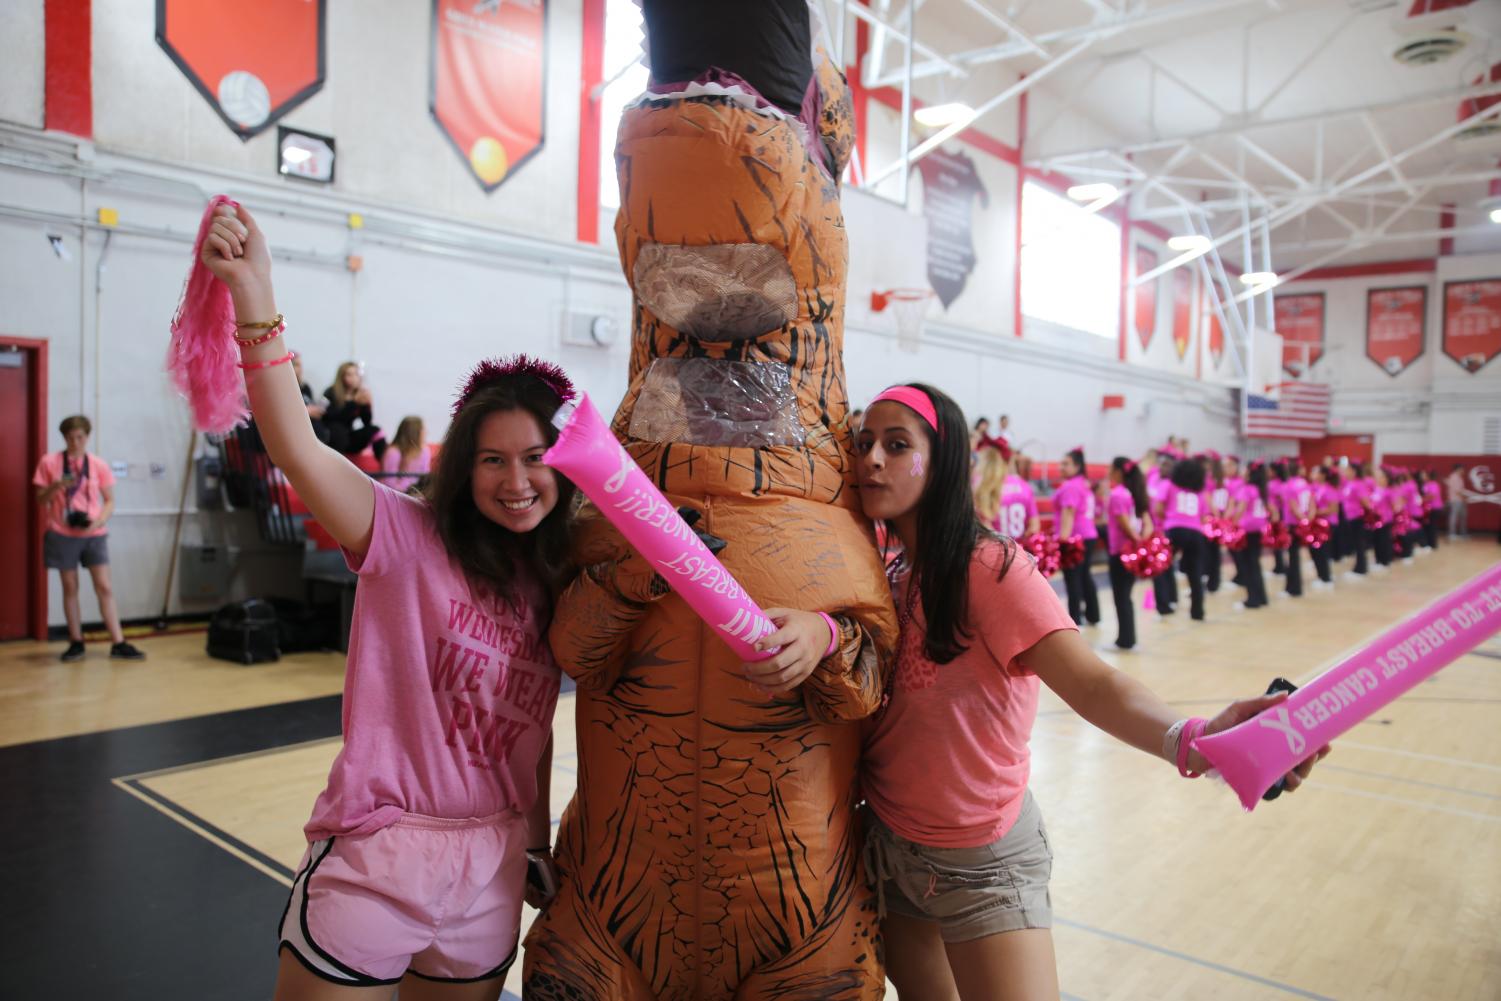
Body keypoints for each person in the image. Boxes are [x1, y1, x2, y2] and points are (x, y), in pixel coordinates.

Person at [200, 202, 568, 998]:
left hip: (493, 870)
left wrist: (534, 843)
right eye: (493, 459)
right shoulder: (402, 535)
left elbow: (528, 737)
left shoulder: (554, 582)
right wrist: (255, 295)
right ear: (463, 464)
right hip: (378, 855)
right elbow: (295, 444)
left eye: (535, 458)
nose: (515, 481)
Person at [852, 384, 1328, 1001]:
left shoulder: (993, 569)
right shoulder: (884, 570)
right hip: (889, 847)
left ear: (942, 463)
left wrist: (1199, 742)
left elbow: (1094, 684)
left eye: (896, 445)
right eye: (864, 443)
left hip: (982, 863)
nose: (871, 460)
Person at [31, 415, 146, 662]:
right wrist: (56, 486)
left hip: (93, 532)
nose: (75, 442)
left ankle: (118, 642)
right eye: (70, 437)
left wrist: (99, 521)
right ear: (64, 438)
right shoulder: (49, 462)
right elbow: (40, 500)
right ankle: (76, 641)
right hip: (61, 532)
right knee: (70, 586)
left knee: (104, 586)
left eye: (80, 437)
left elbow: (110, 500)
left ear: (87, 436)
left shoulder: (97, 465)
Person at [1104, 457, 1153, 649]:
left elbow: (1124, 524)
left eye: (1111, 468)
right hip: (1133, 552)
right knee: (1126, 596)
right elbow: (1148, 523)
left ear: (1118, 472)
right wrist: (1141, 543)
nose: (1108, 472)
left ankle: (1125, 640)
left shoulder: (1118, 494)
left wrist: (1135, 540)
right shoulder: (1136, 493)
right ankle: (1128, 638)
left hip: (1121, 552)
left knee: (1121, 597)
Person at [1052, 447, 1100, 627]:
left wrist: (1063, 540)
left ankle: (1074, 619)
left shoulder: (1071, 486)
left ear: (1077, 466)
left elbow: (1069, 513)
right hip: (1088, 534)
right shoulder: (1083, 483)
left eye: (1066, 464)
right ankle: (1093, 615)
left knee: (1073, 578)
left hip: (1074, 538)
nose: (1061, 467)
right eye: (1061, 464)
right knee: (1085, 576)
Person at [1162, 457, 1208, 621]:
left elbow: (1159, 508)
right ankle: (1198, 611)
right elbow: (1203, 516)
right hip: (1195, 532)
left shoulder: (1170, 486)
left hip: (1174, 529)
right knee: (1195, 573)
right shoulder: (1200, 492)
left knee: (1163, 568)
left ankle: (1166, 605)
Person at [1229, 461, 1273, 610]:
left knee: (1248, 565)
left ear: (1249, 473)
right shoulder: (1262, 489)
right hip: (1259, 530)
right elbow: (1272, 511)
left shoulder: (1246, 489)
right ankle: (1261, 597)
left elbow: (1240, 509)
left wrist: (1231, 525)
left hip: (1246, 531)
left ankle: (1252, 599)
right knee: (1254, 563)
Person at [323, 361, 388, 459]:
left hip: (349, 437)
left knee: (376, 430)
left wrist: (367, 405)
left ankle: (384, 465)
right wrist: (354, 403)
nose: (354, 378)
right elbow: (331, 417)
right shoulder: (331, 392)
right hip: (333, 436)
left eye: (356, 374)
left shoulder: (359, 394)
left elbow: (367, 422)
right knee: (338, 430)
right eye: (349, 375)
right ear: (341, 377)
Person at [973, 442, 1038, 538]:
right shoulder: (1024, 485)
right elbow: (1034, 526)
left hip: (996, 547)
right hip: (1020, 548)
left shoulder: (982, 485)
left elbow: (984, 527)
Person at [381, 416, 432, 494]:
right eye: (423, 429)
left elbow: (425, 476)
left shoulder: (425, 450)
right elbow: (389, 483)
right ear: (414, 432)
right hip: (397, 494)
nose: (427, 432)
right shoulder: (394, 452)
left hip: (417, 492)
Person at [1308, 465, 1338, 587]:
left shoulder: (1329, 489)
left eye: (1316, 471)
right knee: (1315, 551)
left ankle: (1326, 578)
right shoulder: (1315, 488)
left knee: (1322, 551)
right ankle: (1321, 576)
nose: (1312, 473)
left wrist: (1314, 512)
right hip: (1317, 524)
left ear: (1323, 475)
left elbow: (1333, 509)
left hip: (1327, 524)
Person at [292, 354, 332, 445]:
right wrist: (306, 411)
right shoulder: (284, 388)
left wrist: (316, 410)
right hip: (296, 428)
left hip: (311, 425)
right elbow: (283, 413)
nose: (300, 369)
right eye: (296, 364)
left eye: (300, 365)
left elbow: (310, 404)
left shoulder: (305, 387)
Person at [1420, 470, 1443, 550]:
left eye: (1423, 475)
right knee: (1427, 526)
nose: (1422, 477)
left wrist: (1421, 500)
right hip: (1427, 509)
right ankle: (1428, 543)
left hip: (1435, 508)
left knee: (1432, 526)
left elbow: (1432, 495)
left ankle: (1433, 544)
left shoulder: (1434, 484)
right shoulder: (1425, 484)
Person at [1445, 463, 1469, 537]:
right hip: (1455, 500)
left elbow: (1461, 490)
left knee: (1463, 517)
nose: (1463, 470)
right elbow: (1456, 490)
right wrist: (1464, 497)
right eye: (1462, 469)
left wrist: (1464, 498)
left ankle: (1463, 533)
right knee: (1454, 517)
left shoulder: (1459, 477)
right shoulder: (1453, 477)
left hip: (1460, 500)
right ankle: (1452, 533)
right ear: (1458, 469)